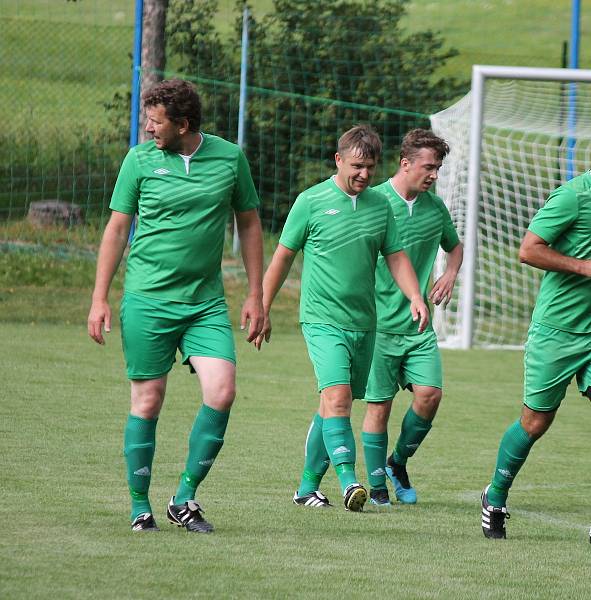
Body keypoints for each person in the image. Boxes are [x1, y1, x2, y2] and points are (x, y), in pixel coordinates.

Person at [87, 79, 264, 533]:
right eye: (148, 118)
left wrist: (255, 293)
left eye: (156, 120)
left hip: (204, 303)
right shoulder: (139, 161)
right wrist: (99, 298)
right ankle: (138, 505)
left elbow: (248, 224)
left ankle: (184, 497)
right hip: (148, 300)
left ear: (183, 124)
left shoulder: (229, 158)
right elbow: (116, 229)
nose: (148, 127)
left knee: (222, 390)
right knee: (148, 400)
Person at [480, 121, 591, 546]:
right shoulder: (570, 197)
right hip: (557, 332)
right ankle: (495, 495)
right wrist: (584, 267)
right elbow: (528, 249)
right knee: (535, 422)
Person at [257, 125, 428, 512]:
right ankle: (351, 482)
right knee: (338, 398)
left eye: (370, 167)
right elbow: (282, 257)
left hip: (364, 324)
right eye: (356, 166)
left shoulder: (380, 206)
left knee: (329, 404)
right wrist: (262, 306)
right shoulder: (311, 201)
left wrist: (415, 295)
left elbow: (396, 255)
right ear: (338, 160)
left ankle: (306, 488)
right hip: (322, 320)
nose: (364, 174)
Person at [360, 129, 462, 507]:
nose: (434, 174)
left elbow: (454, 248)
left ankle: (397, 463)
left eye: (437, 168)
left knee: (430, 395)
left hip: (419, 327)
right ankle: (376, 488)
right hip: (378, 327)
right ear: (405, 164)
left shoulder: (435, 209)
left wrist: (450, 273)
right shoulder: (374, 202)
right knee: (379, 407)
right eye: (428, 167)